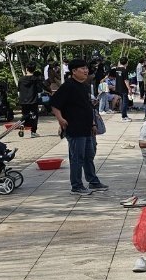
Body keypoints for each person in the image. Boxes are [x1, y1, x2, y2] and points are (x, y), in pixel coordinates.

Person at [50, 59, 108, 196]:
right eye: (82, 68)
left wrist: (93, 124)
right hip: (75, 128)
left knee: (89, 155)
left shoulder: (85, 85)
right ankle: (76, 186)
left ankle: (93, 181)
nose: (86, 71)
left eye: (86, 68)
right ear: (74, 71)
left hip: (87, 127)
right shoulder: (68, 86)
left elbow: (88, 106)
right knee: (77, 157)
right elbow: (54, 104)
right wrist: (60, 119)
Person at [17, 64, 44, 137]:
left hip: (23, 100)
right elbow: (40, 89)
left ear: (26, 69)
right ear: (34, 70)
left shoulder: (21, 79)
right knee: (34, 116)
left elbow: (19, 89)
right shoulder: (35, 79)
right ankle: (33, 132)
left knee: (25, 114)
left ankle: (22, 123)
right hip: (33, 100)